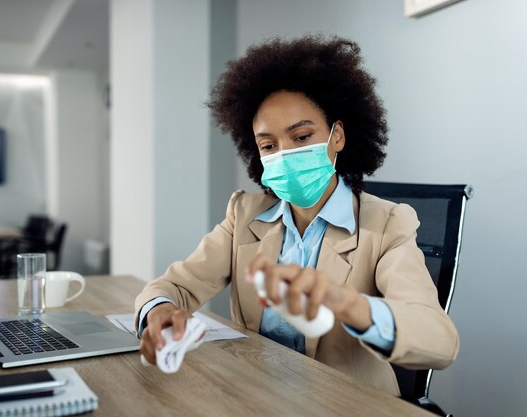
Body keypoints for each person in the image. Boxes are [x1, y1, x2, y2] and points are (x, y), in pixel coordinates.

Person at [134, 35, 458, 396]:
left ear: (338, 136)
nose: (285, 154)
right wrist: (159, 311)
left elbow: (439, 341)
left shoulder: (388, 224)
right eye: (269, 145)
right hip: (256, 396)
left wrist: (349, 304)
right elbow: (174, 285)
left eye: (302, 136)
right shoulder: (243, 214)